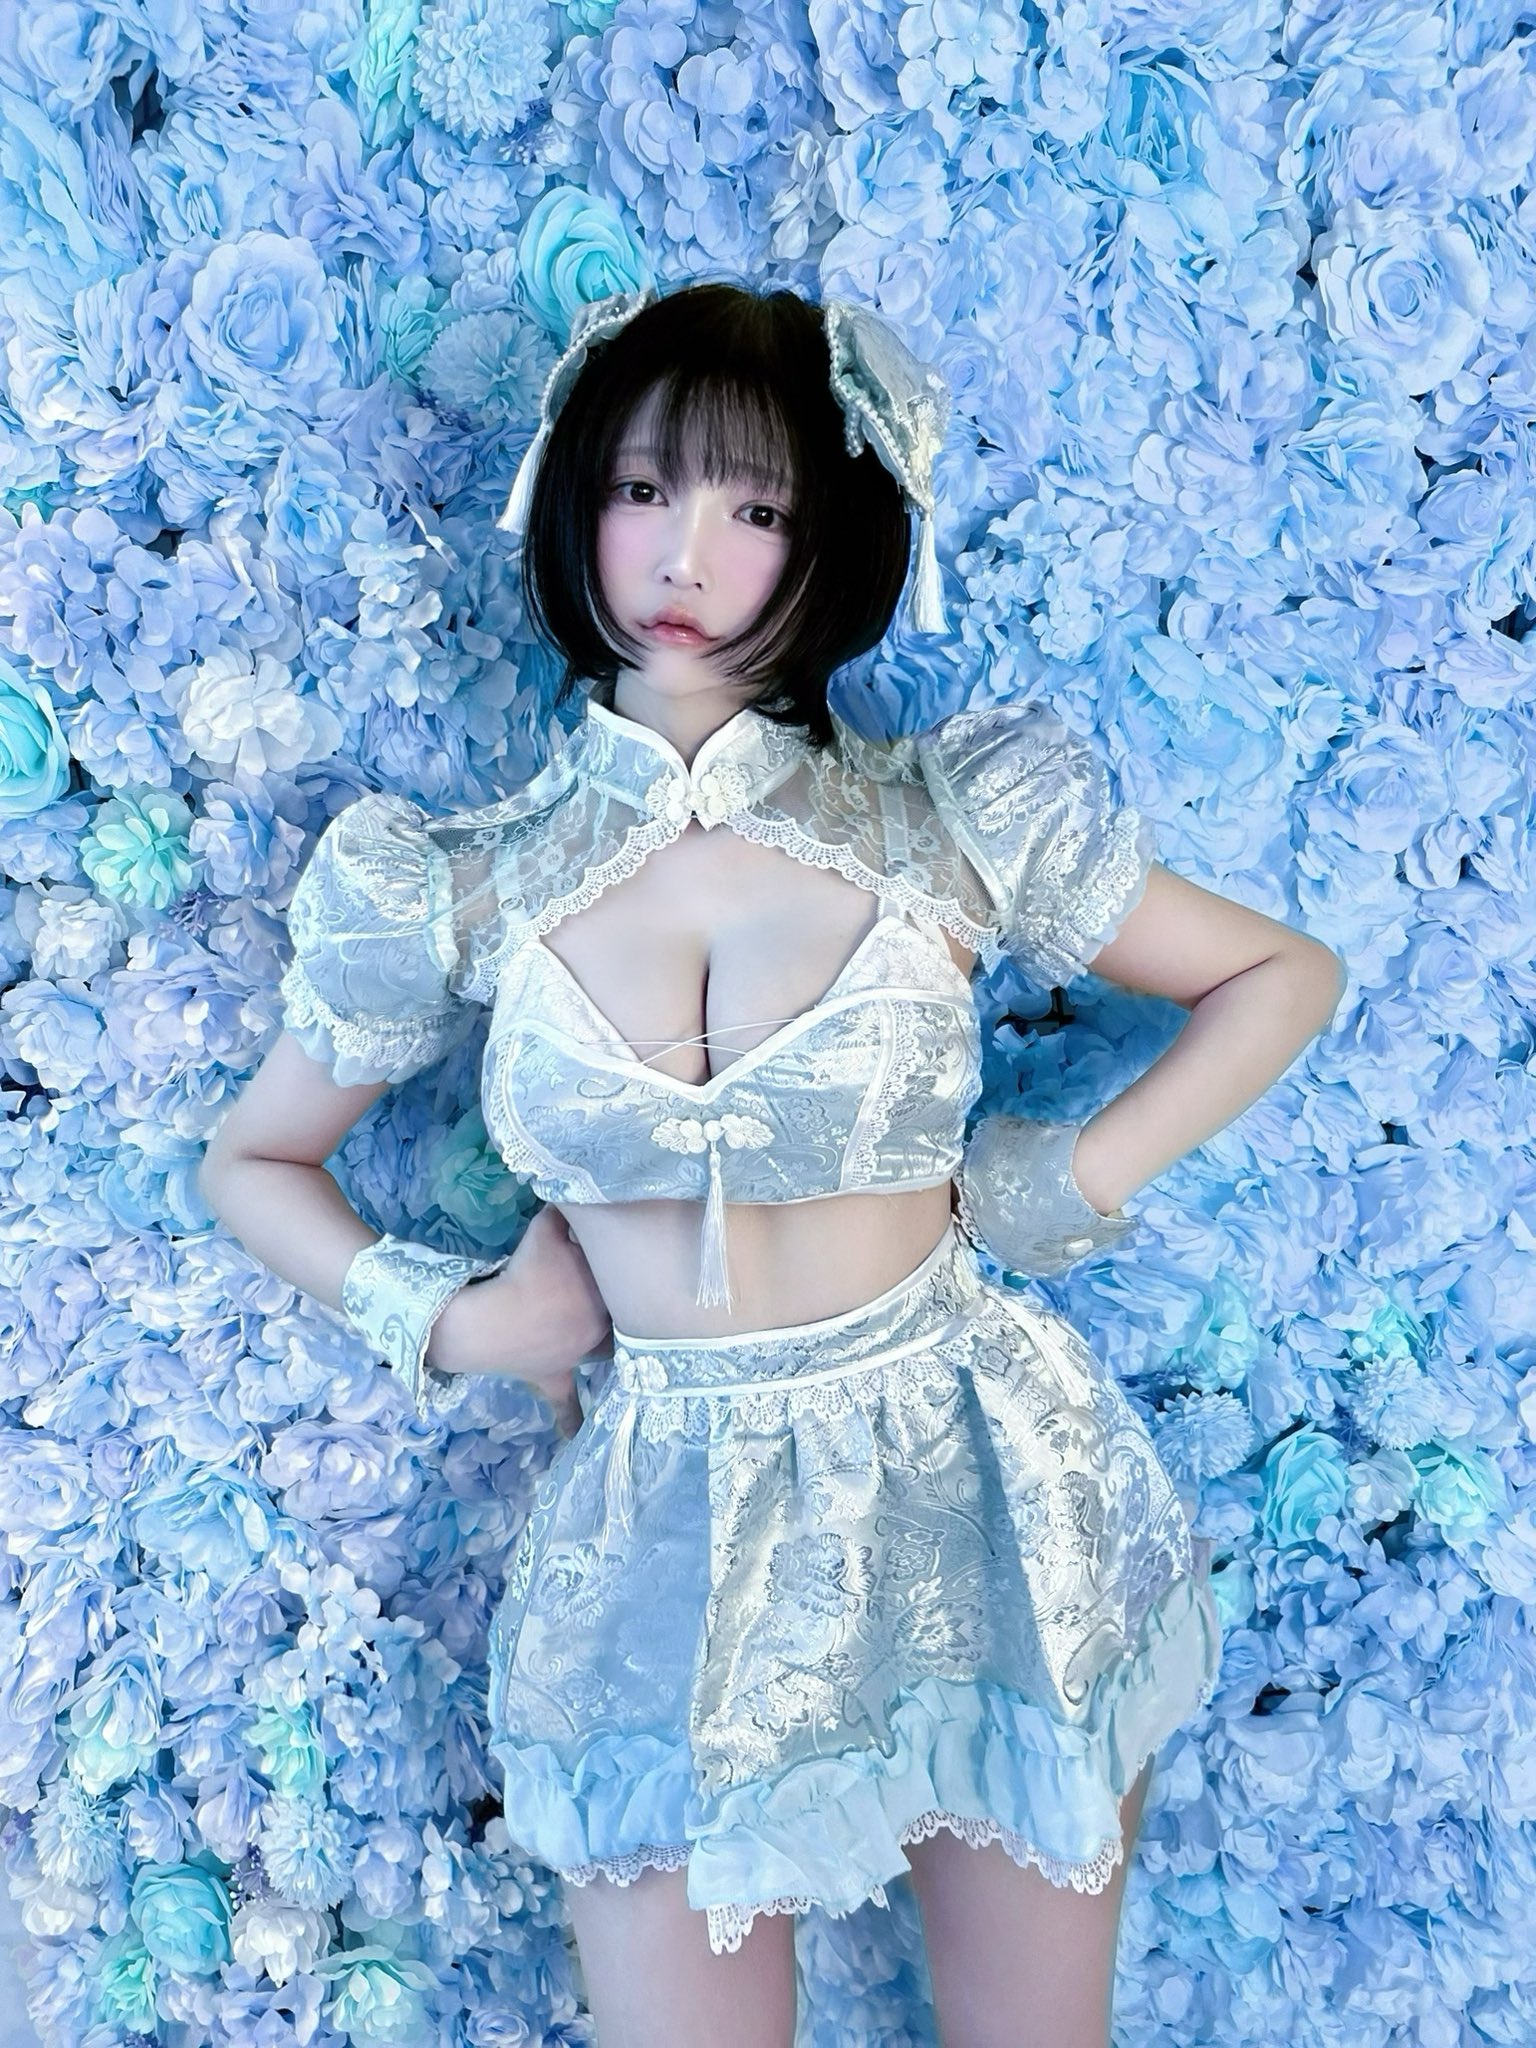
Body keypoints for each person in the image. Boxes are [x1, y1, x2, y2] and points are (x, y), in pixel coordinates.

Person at [199, 279, 1347, 2048]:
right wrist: (463, 1319)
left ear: (837, 541)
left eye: (757, 510)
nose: (686, 556)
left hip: (977, 1478)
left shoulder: (945, 822)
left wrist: (1062, 1177)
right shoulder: (457, 883)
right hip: (660, 1525)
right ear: (573, 499)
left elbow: (1282, 976)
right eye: (643, 489)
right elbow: (253, 1162)